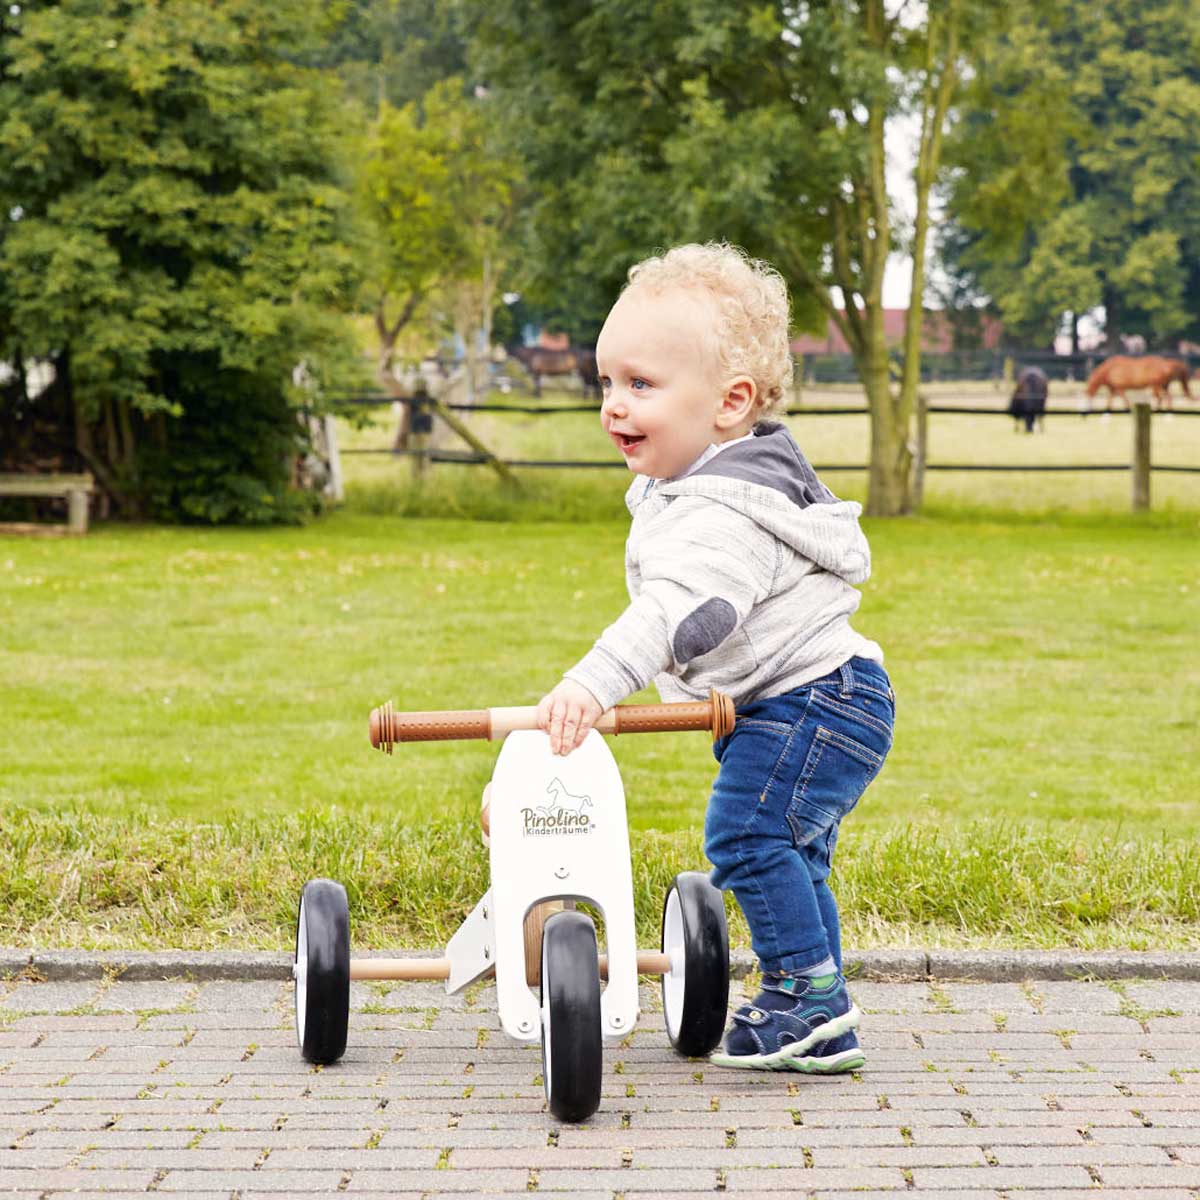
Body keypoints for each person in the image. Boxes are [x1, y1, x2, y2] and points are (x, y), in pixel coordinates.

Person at [535, 242, 894, 1073]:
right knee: (790, 852)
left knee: (747, 833)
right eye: (607, 383)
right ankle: (814, 1002)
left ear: (730, 402)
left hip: (814, 701)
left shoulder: (723, 509)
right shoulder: (708, 483)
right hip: (824, 699)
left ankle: (808, 1002)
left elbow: (681, 612)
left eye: (642, 385)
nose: (614, 406)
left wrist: (592, 682)